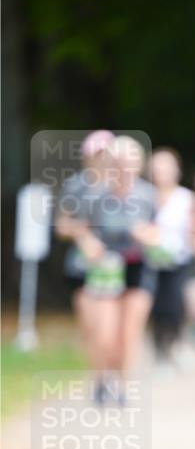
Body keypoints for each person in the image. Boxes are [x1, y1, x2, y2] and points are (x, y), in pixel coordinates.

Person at [75, 135, 158, 401]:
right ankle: (101, 377)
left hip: (138, 267)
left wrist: (147, 235)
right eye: (118, 161)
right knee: (105, 332)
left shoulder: (148, 195)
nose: (123, 167)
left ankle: (121, 385)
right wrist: (88, 243)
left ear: (138, 163)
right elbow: (80, 228)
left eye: (129, 161)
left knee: (128, 334)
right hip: (105, 269)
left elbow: (161, 233)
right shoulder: (95, 195)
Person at [55, 130, 116, 394]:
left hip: (115, 265)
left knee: (111, 327)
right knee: (92, 327)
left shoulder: (121, 184)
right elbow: (61, 225)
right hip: (83, 265)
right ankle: (99, 379)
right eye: (97, 155)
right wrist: (83, 233)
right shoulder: (75, 186)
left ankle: (114, 375)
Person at [147, 148, 195, 366]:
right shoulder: (145, 197)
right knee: (156, 307)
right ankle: (160, 350)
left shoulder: (187, 198)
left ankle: (178, 342)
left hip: (179, 259)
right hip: (151, 261)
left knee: (176, 305)